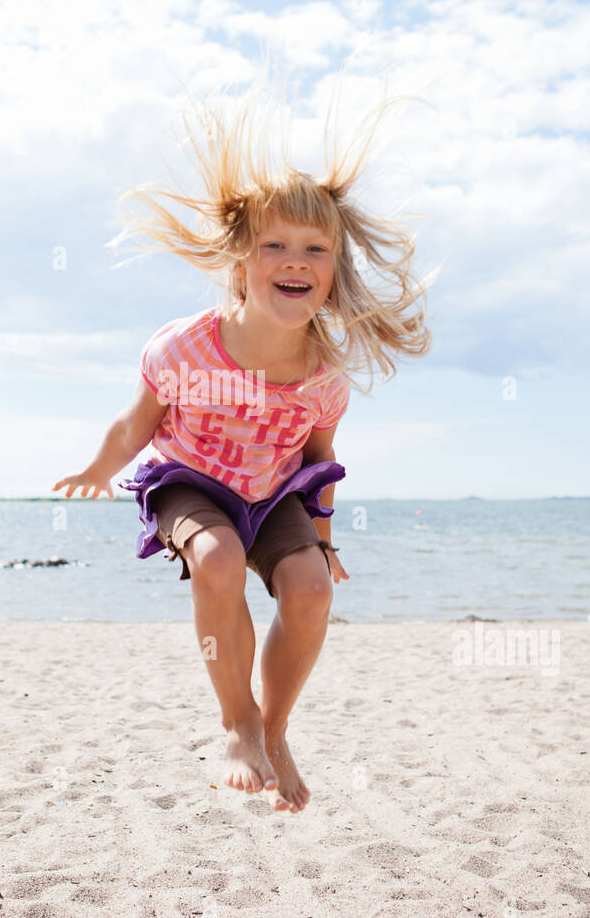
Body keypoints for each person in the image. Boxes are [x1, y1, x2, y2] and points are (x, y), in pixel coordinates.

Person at [53, 73, 432, 813]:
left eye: (315, 249)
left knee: (312, 591)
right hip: (189, 481)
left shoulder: (324, 376)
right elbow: (137, 424)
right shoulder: (186, 348)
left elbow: (320, 466)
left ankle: (274, 729)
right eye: (275, 245)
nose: (296, 260)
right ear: (240, 261)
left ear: (334, 269)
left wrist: (322, 543)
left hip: (272, 492)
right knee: (218, 558)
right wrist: (101, 469)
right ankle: (235, 723)